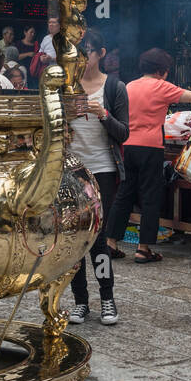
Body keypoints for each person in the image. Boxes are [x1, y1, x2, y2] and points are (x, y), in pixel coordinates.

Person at [106, 48, 191, 263]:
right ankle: (143, 249)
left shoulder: (129, 86)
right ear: (162, 71)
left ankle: (110, 243)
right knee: (150, 197)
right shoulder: (161, 85)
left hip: (127, 146)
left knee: (124, 195)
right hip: (150, 147)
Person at [68, 29, 129, 327]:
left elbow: (124, 133)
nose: (81, 58)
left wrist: (103, 113)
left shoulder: (115, 87)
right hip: (71, 170)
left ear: (100, 54)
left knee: (98, 238)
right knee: (74, 239)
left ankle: (107, 297)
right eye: (77, 52)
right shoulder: (65, 87)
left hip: (103, 169)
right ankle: (80, 301)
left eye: (87, 52)